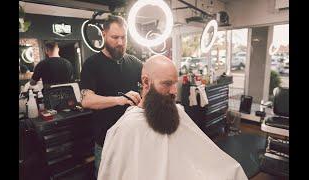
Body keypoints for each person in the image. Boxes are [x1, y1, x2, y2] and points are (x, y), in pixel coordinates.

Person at [97, 55, 248, 180]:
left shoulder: (177, 111)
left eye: (175, 83)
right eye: (167, 84)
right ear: (146, 82)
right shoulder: (127, 127)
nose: (174, 91)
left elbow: (200, 157)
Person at [79, 15, 143, 177]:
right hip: (106, 143)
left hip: (132, 140)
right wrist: (120, 100)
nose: (120, 42)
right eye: (115, 37)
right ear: (103, 34)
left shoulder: (135, 63)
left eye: (123, 37)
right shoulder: (92, 64)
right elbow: (86, 100)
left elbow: (148, 86)